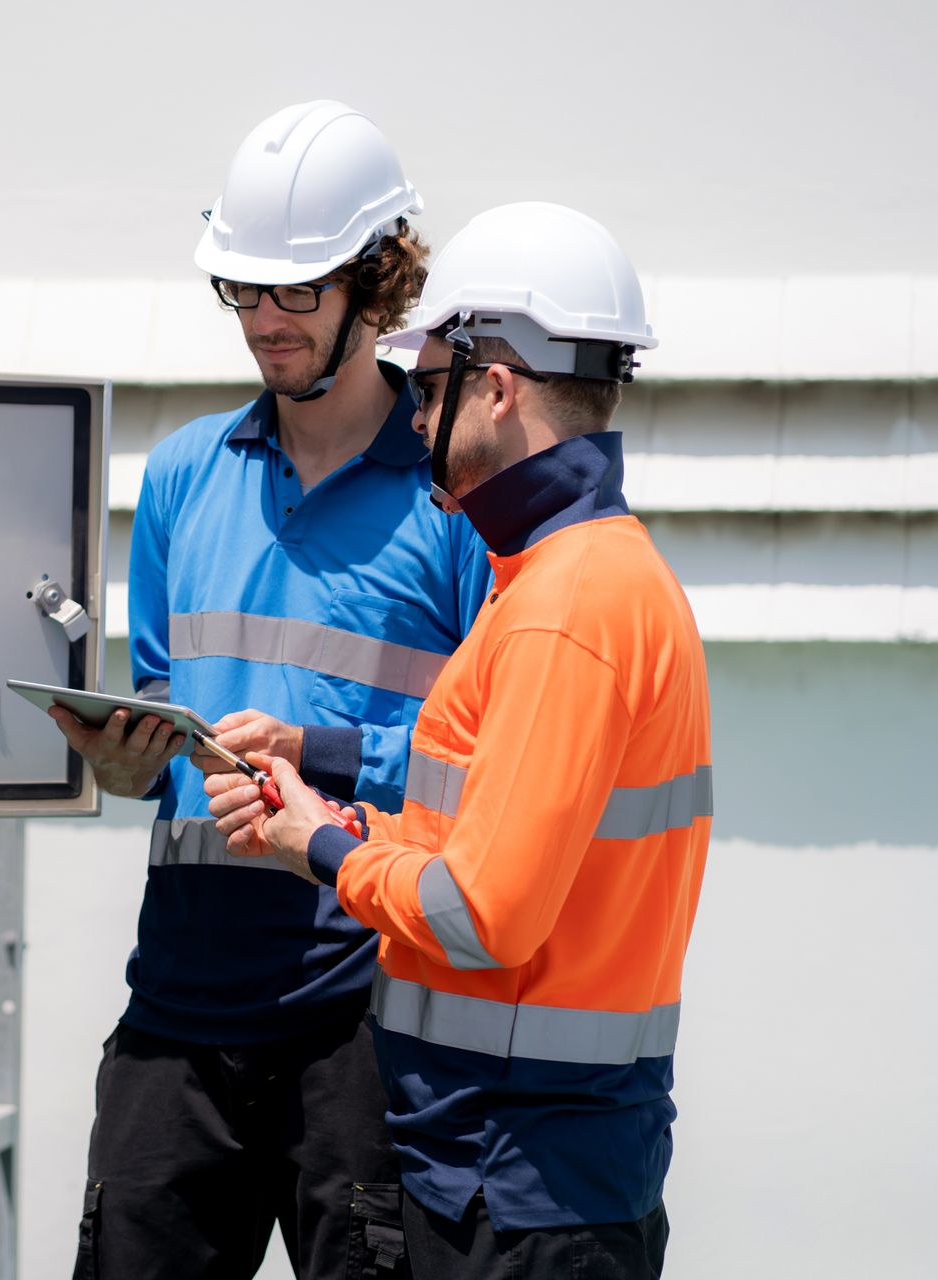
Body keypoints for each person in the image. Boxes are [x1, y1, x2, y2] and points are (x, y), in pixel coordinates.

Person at [205, 201, 712, 1280]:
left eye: (428, 385)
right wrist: (334, 802)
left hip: (522, 1183)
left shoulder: (563, 604)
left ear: (497, 385)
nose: (414, 413)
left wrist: (321, 847)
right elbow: (477, 838)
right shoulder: (560, 575)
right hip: (517, 1170)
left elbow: (483, 913)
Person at [46, 100, 491, 1278]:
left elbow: (490, 761)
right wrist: (129, 755)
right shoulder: (185, 475)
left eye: (294, 292)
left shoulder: (451, 502)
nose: (264, 322)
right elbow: (163, 700)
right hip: (178, 1003)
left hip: (368, 1012)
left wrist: (321, 743)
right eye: (244, 291)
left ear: (374, 284)